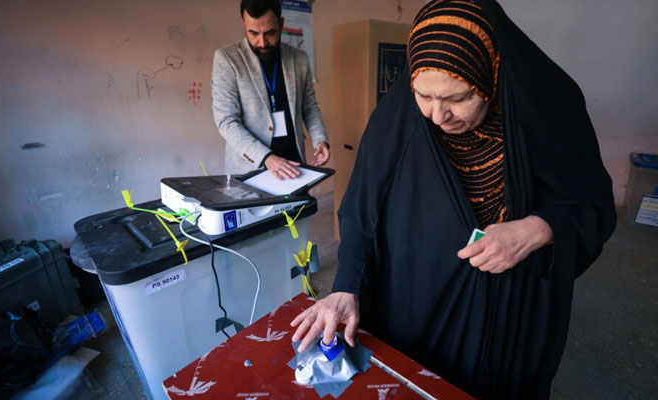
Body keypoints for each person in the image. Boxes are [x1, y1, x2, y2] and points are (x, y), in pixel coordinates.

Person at [290, 0, 617, 398]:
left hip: (508, 317)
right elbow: (361, 214)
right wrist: (345, 286)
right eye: (423, 94)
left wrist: (536, 230)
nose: (436, 116)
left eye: (459, 98)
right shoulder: (397, 116)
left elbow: (591, 206)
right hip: (413, 303)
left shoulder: (549, 108)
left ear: (493, 71)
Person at [211, 0, 329, 179]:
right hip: (250, 168)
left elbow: (309, 107)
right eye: (253, 33)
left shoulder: (299, 59)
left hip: (294, 163)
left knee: (299, 208)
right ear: (244, 24)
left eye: (270, 33)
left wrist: (320, 139)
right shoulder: (227, 59)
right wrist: (267, 157)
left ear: (281, 24)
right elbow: (226, 121)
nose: (262, 42)